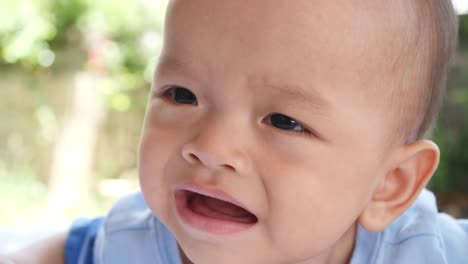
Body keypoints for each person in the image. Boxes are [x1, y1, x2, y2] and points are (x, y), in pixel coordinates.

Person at [4, 0, 467, 263]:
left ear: (390, 185)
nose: (209, 147)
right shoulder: (135, 242)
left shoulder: (427, 253)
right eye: (182, 94)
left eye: (285, 122)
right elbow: (70, 248)